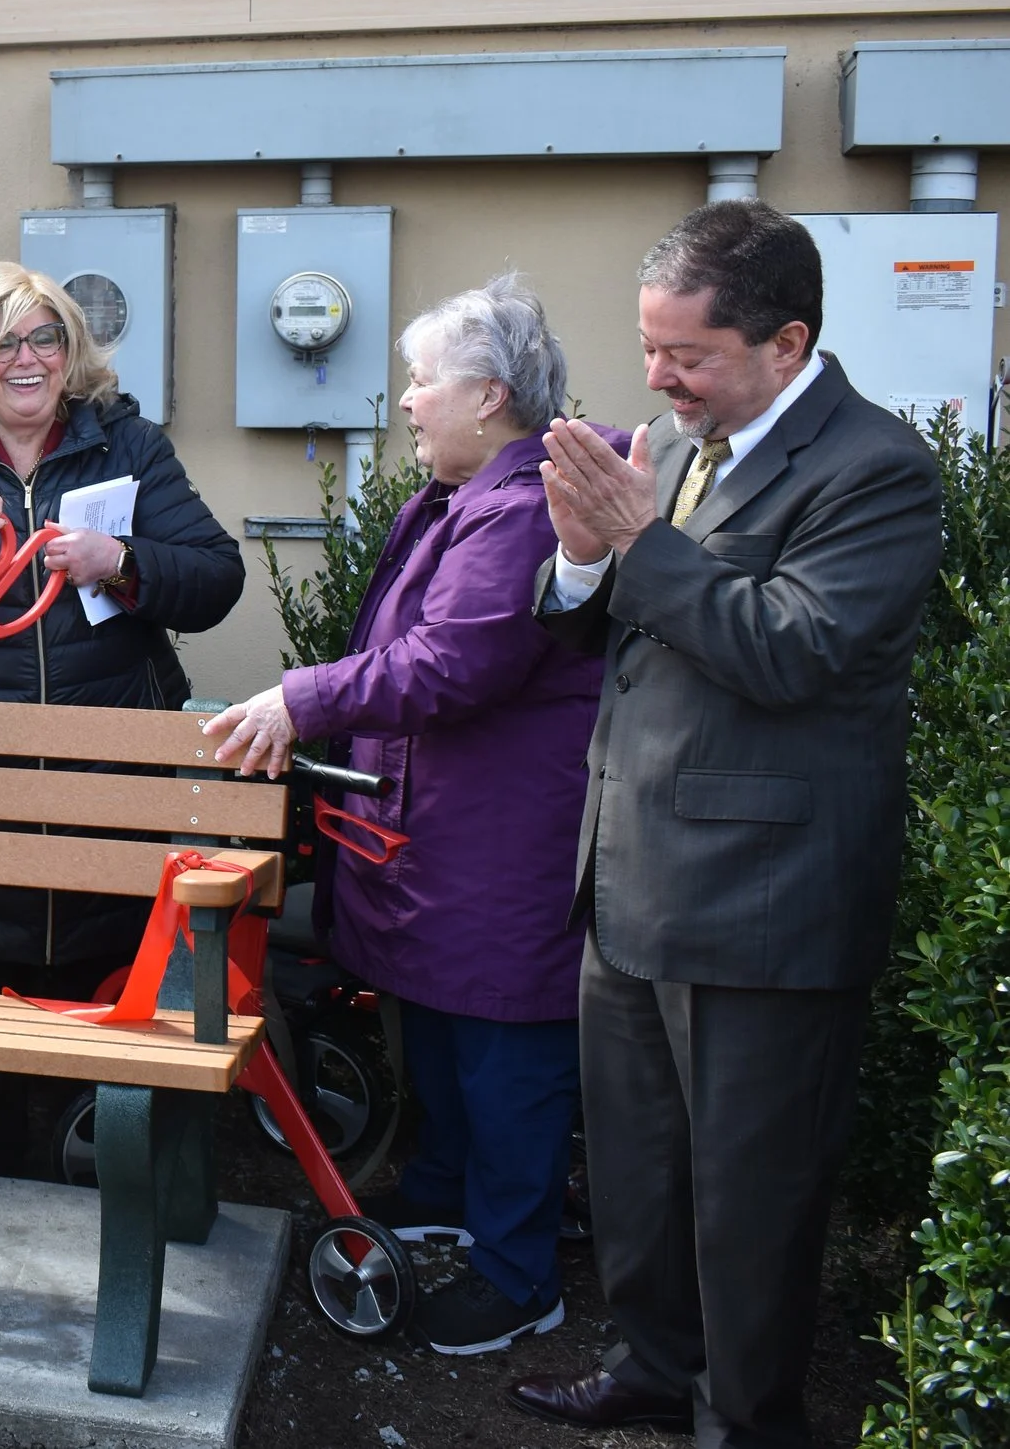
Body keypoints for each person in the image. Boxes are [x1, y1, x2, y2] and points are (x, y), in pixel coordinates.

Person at [512, 200, 943, 1447]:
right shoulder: (670, 438)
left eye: (687, 355)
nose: (656, 378)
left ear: (785, 340)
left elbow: (792, 648)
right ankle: (651, 1367)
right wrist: (583, 558)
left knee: (750, 1201)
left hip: (765, 901)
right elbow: (608, 625)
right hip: (634, 880)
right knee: (641, 1180)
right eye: (649, 348)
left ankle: (741, 1417)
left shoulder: (876, 469)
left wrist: (638, 540)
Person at [205, 275, 613, 1357]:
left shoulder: (526, 507)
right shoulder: (453, 495)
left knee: (504, 1045)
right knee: (436, 1021)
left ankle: (520, 1273)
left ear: (487, 396)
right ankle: (441, 1190)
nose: (405, 401)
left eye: (420, 380)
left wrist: (303, 699)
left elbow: (451, 664)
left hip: (500, 845)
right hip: (432, 836)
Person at [0, 260, 245, 1172]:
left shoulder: (129, 447)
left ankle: (97, 1225)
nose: (26, 358)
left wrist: (123, 558)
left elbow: (217, 577)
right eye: (1, 341)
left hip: (106, 804)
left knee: (100, 1059)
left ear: (70, 349)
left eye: (45, 336)